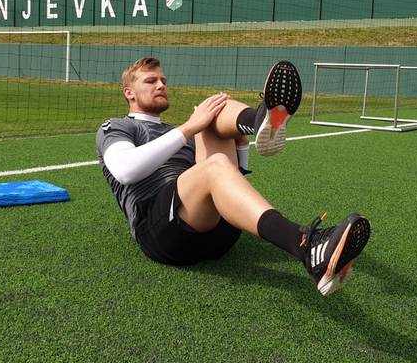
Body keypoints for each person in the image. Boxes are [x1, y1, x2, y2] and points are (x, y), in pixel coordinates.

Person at [95, 57, 371, 296]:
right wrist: (190, 128)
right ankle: (306, 246)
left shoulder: (186, 132)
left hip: (218, 232)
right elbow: (126, 170)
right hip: (162, 234)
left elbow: (232, 178)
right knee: (210, 148)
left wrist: (238, 143)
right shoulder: (117, 126)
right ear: (129, 92)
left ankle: (260, 120)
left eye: (164, 80)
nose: (161, 85)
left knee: (213, 108)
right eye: (151, 80)